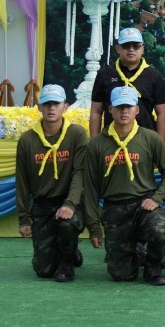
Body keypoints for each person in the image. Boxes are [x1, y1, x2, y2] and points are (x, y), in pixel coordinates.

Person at [84, 86, 165, 285]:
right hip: (114, 208)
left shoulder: (150, 138)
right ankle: (134, 250)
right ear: (111, 110)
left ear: (137, 109)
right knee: (122, 275)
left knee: (161, 230)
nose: (124, 111)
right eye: (119, 107)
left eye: (128, 107)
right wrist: (94, 227)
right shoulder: (97, 144)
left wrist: (157, 198)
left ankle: (153, 268)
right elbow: (90, 187)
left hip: (144, 204)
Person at [15, 84, 87, 282]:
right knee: (44, 270)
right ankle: (68, 250)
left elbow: (79, 172)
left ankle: (67, 263)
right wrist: (23, 218)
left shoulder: (77, 134)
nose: (51, 108)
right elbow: (22, 181)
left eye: (56, 103)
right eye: (47, 104)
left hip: (70, 200)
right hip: (43, 204)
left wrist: (70, 204)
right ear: (39, 107)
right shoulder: (27, 140)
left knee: (67, 224)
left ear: (65, 106)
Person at [90, 27, 165, 140]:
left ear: (142, 49)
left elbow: (161, 114)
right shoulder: (104, 74)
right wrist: (94, 143)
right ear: (118, 48)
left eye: (136, 46)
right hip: (111, 139)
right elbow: (96, 111)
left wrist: (159, 145)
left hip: (145, 140)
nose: (131, 49)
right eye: (126, 46)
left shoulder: (154, 76)